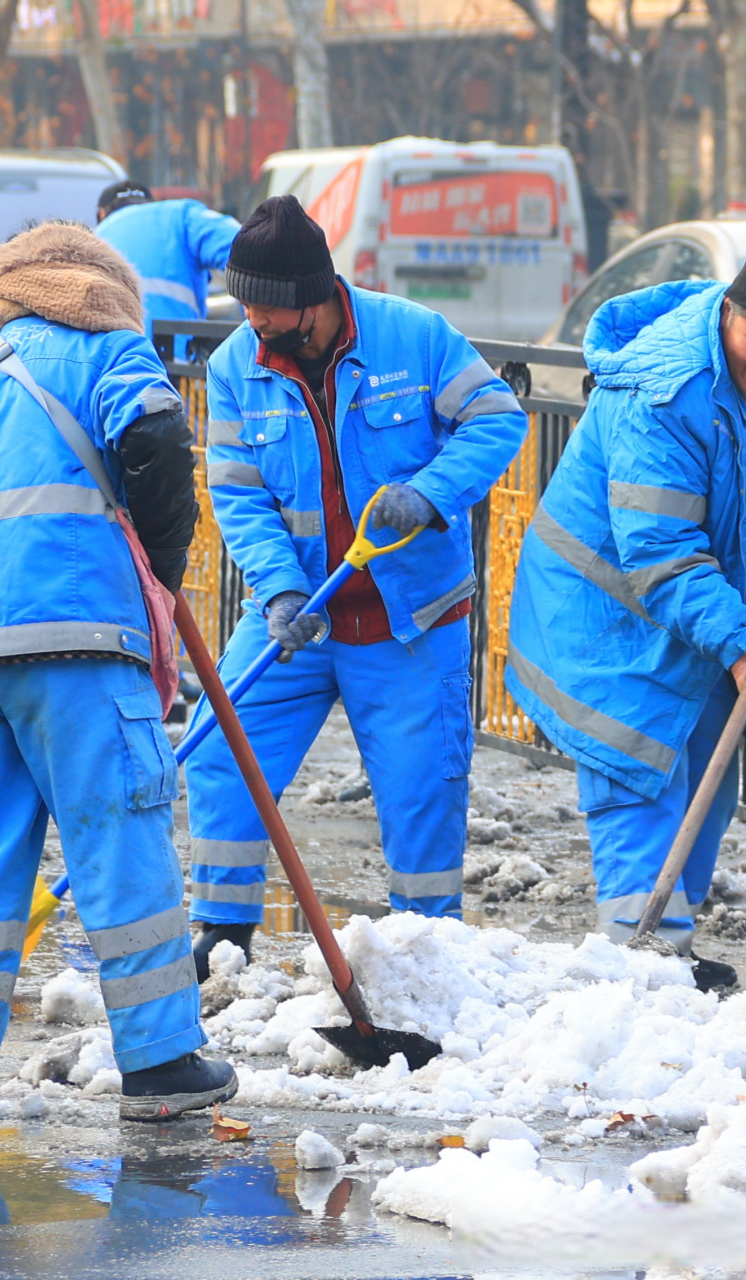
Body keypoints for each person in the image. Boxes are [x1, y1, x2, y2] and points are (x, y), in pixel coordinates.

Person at [0, 221, 231, 1123]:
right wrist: (158, 563)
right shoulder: (110, 349)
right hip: (74, 634)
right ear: (106, 289)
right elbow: (157, 440)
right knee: (119, 840)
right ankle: (160, 1066)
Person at [183, 195, 528, 979]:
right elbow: (238, 492)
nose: (253, 321)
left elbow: (498, 418)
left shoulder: (413, 335)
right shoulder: (238, 364)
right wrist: (274, 591)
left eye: (267, 306)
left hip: (409, 618)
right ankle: (225, 930)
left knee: (419, 791)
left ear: (316, 296)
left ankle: (428, 948)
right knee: (222, 748)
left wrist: (432, 493)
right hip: (299, 612)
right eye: (245, 303)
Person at [503, 235, 746, 990]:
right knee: (638, 769)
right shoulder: (666, 392)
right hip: (611, 609)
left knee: (707, 768)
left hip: (700, 602)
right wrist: (734, 638)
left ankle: (672, 947)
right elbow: (659, 548)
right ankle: (638, 961)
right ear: (731, 312)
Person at [94, 179, 243, 339]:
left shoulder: (93, 239)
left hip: (114, 361)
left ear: (102, 214)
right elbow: (246, 248)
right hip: (176, 358)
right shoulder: (179, 216)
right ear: (151, 205)